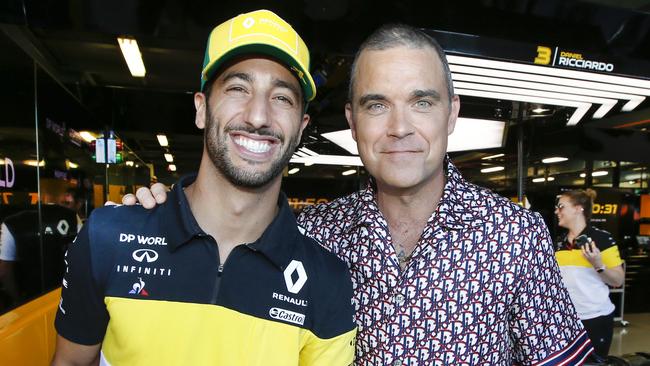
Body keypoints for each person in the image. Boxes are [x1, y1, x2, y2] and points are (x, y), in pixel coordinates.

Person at [129, 24, 594, 364]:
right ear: (352, 121)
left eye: (422, 102)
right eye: (377, 105)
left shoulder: (513, 236)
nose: (399, 128)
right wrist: (155, 216)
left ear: (451, 114)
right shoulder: (306, 236)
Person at [52, 10, 356, 366]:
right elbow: (71, 361)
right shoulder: (108, 237)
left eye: (282, 98)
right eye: (238, 88)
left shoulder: (327, 279)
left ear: (301, 127)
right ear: (201, 109)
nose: (258, 116)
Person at [554, 189, 624, 360]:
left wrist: (598, 264)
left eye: (561, 207)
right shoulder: (558, 242)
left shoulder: (601, 239)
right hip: (563, 319)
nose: (557, 211)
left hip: (595, 319)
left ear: (579, 208)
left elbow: (618, 280)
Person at [0, 189, 82, 307]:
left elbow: (4, 271)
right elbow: (82, 260)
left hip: (28, 296)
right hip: (64, 293)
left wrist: (17, 299)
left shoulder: (10, 222)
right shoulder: (72, 217)